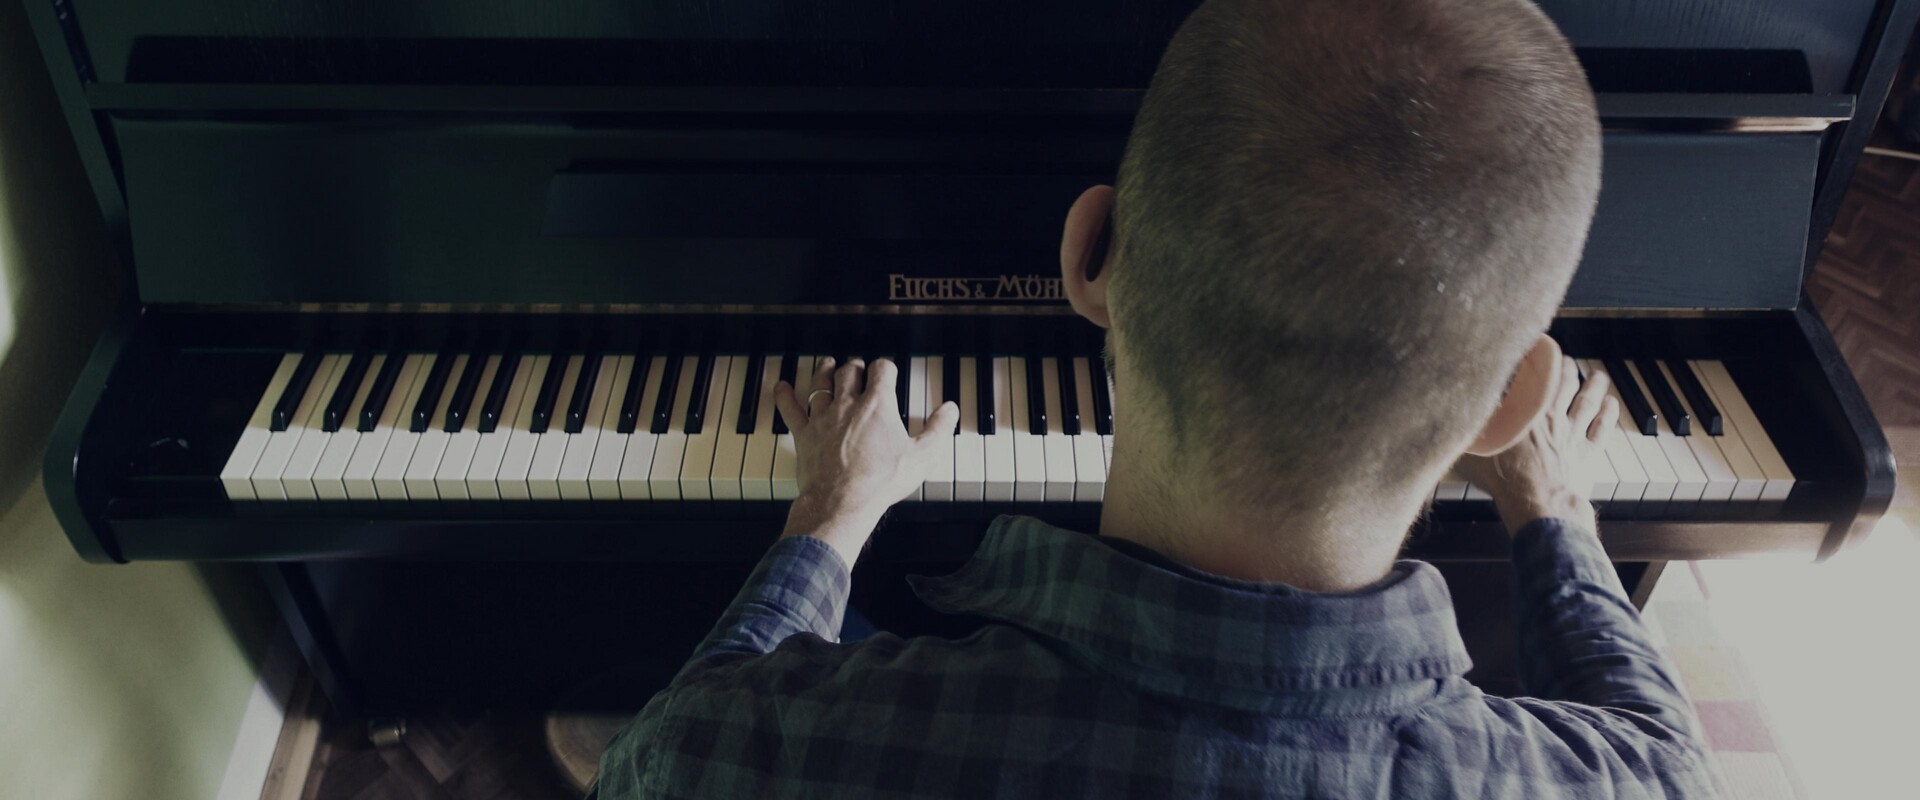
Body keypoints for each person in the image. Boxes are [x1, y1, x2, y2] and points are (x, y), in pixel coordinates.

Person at [593, 0, 1718, 796]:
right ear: (1511, 397)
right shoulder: (1644, 784)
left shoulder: (736, 752)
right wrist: (1556, 516)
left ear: (1089, 252)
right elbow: (1659, 742)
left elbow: (684, 731)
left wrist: (828, 520)